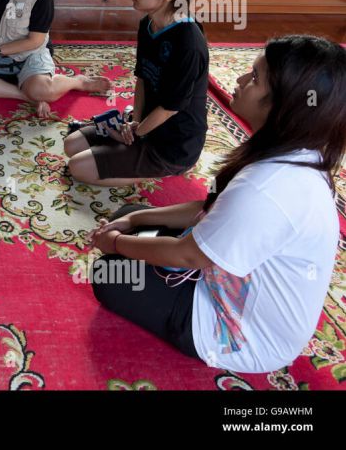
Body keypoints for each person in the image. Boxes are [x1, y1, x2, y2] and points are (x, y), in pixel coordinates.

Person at [88, 35, 346, 373]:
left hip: (241, 334)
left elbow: (189, 254)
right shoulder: (296, 153)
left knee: (110, 273)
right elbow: (211, 207)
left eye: (254, 79)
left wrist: (117, 242)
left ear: (285, 104)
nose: (238, 81)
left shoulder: (268, 188)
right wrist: (135, 224)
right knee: (130, 215)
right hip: (229, 277)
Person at [64, 0, 208, 186]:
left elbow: (170, 108)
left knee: (78, 167)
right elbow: (143, 77)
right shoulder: (148, 23)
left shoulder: (188, 42)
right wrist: (135, 123)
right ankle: (130, 146)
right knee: (72, 143)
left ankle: (160, 170)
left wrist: (137, 133)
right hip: (145, 123)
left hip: (172, 143)